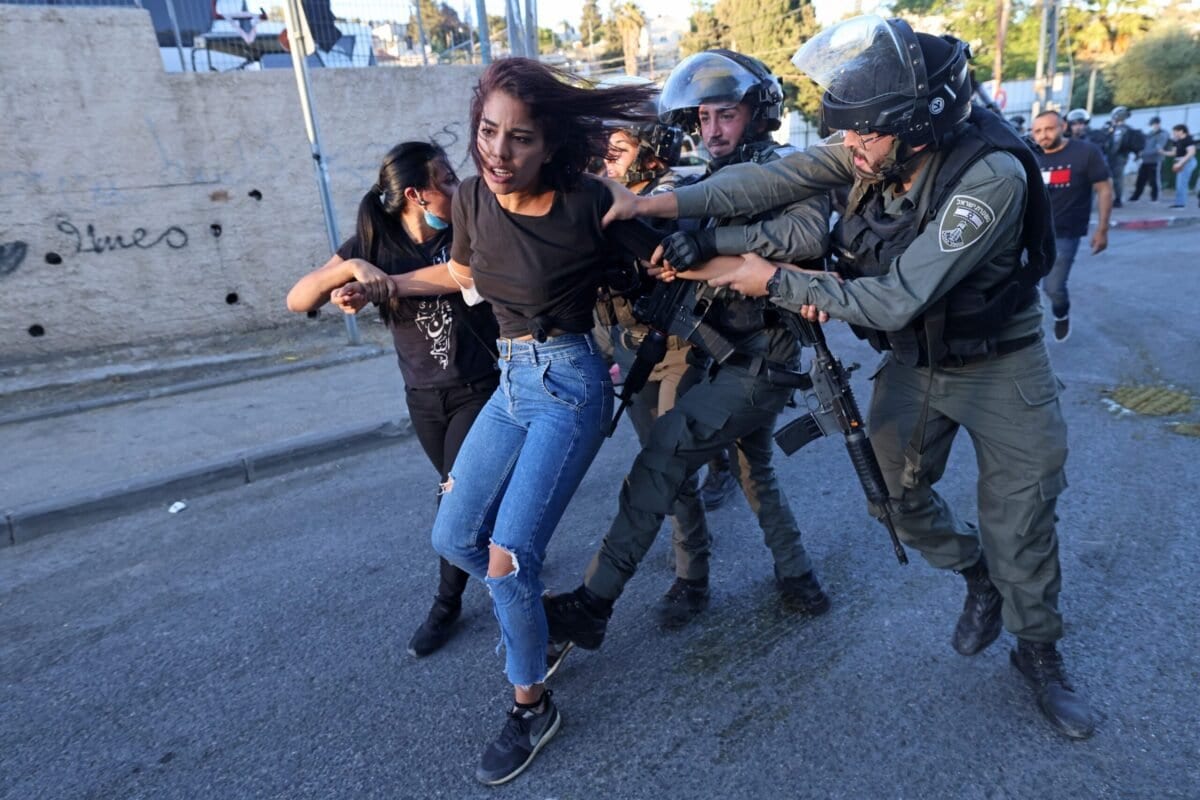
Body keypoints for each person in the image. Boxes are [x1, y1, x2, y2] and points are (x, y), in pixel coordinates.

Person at [603, 15, 1096, 741]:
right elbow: (777, 175)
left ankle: (1039, 651)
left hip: (1001, 363)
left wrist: (769, 278)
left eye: (863, 133)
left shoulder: (986, 177)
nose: (849, 147)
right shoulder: (876, 150)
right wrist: (651, 205)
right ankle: (978, 575)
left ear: (916, 125)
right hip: (917, 362)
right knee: (892, 498)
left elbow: (895, 296)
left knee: (1020, 518)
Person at [331, 59, 656, 785]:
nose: (498, 153)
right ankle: (530, 620)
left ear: (550, 145)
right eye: (487, 133)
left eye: (520, 139)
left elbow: (667, 252)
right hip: (510, 384)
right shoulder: (473, 199)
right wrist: (385, 283)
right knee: (452, 533)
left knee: (508, 556)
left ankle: (530, 706)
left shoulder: (588, 203)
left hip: (570, 383)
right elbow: (463, 277)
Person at [544, 49, 833, 643]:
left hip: (763, 359)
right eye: (702, 118)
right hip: (717, 354)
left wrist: (711, 240)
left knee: (663, 459)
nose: (712, 130)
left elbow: (807, 231)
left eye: (724, 115)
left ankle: (595, 601)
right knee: (757, 473)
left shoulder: (788, 167)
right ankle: (796, 573)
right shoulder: (700, 184)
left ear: (757, 113)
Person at [285, 141, 501, 658]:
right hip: (423, 395)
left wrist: (388, 286)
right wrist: (354, 272)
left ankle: (448, 605)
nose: (456, 188)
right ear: (415, 195)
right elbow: (298, 298)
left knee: (455, 500)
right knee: (464, 495)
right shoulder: (374, 242)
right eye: (446, 181)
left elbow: (459, 277)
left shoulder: (467, 229)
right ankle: (504, 556)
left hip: (481, 384)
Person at [1030, 110, 1113, 343]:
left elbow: (1104, 189)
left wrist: (1102, 229)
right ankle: (1028, 329)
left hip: (1065, 233)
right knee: (1023, 285)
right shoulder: (1031, 155)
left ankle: (1061, 314)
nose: (1043, 135)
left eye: (1049, 129)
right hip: (1031, 233)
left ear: (1062, 126)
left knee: (1053, 287)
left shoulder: (1086, 152)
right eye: (1037, 131)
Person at [1129, 116, 1168, 202]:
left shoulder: (1162, 134)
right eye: (1151, 125)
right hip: (1145, 160)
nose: (1152, 126)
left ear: (1157, 124)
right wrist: (1140, 153)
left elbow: (1158, 149)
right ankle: (1136, 196)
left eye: (1153, 124)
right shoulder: (1150, 134)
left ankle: (1155, 197)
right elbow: (1145, 145)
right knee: (1140, 179)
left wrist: (1144, 153)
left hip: (1156, 160)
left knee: (1154, 180)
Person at [1101, 106, 1134, 207]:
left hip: (1117, 157)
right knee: (1114, 178)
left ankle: (1118, 199)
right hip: (1117, 156)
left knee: (1117, 179)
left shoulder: (1122, 129)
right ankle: (1113, 198)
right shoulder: (1114, 127)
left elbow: (1116, 144)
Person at [1163, 124, 1196, 208]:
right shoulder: (1176, 141)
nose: (1173, 133)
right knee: (1179, 183)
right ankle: (1179, 203)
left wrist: (1180, 163)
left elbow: (1191, 153)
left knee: (1182, 183)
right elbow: (1174, 153)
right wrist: (1162, 152)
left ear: (1181, 131)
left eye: (1175, 131)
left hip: (1187, 162)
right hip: (1180, 162)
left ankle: (1180, 204)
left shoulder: (1188, 139)